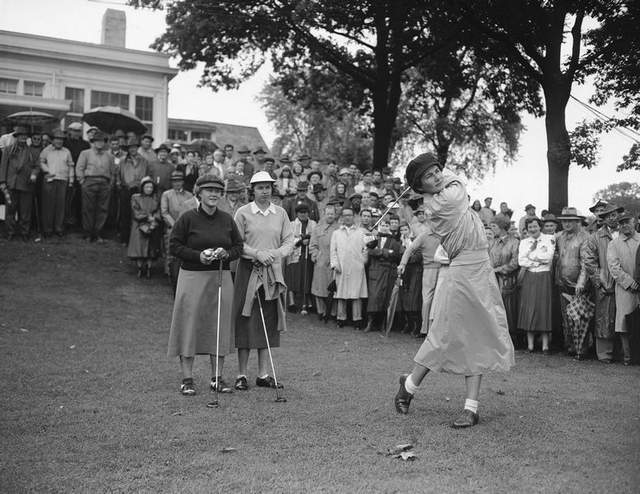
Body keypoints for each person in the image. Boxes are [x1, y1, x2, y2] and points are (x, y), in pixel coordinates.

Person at [394, 152, 514, 428]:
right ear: (420, 187)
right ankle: (408, 387)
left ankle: (470, 408)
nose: (437, 176)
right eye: (428, 176)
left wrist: (424, 179)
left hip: (481, 269)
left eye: (437, 170)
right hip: (460, 271)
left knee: (479, 334)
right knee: (443, 334)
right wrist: (439, 178)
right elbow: (458, 182)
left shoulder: (441, 194)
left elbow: (450, 185)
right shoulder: (442, 201)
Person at [167, 174, 244, 395]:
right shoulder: (187, 218)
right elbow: (175, 246)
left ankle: (217, 378)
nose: (213, 194)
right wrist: (198, 256)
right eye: (209, 190)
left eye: (218, 190)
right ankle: (187, 379)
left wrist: (226, 253)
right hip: (192, 277)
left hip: (220, 277)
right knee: (189, 325)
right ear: (199, 193)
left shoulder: (227, 219)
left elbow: (238, 246)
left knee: (218, 326)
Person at [231, 171, 294, 390]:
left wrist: (273, 255)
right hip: (248, 271)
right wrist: (257, 254)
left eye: (267, 187)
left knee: (268, 320)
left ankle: (263, 374)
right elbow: (236, 243)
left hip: (272, 272)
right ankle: (241, 374)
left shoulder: (281, 213)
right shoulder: (243, 212)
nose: (264, 191)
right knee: (245, 319)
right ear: (253, 190)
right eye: (260, 187)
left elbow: (289, 241)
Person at [583, 204, 623, 363]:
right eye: (609, 216)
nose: (613, 218)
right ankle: (604, 354)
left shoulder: (625, 233)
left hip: (625, 281)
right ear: (604, 219)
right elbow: (589, 260)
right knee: (604, 317)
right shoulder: (595, 237)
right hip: (605, 281)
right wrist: (599, 280)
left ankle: (623, 352)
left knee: (623, 316)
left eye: (615, 215)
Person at [555, 207, 590, 358]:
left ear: (577, 222)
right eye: (564, 221)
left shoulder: (584, 237)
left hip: (578, 285)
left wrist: (581, 283)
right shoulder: (559, 237)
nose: (567, 224)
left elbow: (586, 263)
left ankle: (582, 348)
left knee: (581, 316)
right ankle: (569, 346)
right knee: (566, 316)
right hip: (562, 283)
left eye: (570, 221)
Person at [518, 217, 555, 353]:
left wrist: (531, 255)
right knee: (529, 307)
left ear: (540, 226)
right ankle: (530, 345)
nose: (532, 229)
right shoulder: (524, 242)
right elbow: (521, 261)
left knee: (543, 307)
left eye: (535, 226)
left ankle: (545, 345)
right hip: (530, 276)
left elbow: (548, 257)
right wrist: (536, 261)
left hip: (543, 276)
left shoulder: (549, 239)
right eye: (530, 227)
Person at [607, 213, 640, 365]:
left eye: (627, 222)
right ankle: (628, 356)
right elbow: (614, 267)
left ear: (634, 222)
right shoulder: (614, 244)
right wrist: (629, 282)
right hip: (625, 288)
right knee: (625, 322)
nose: (625, 225)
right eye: (622, 223)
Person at [398, 224, 441, 337]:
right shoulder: (424, 235)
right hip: (431, 270)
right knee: (427, 300)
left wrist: (403, 264)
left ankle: (431, 330)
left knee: (436, 300)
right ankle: (425, 329)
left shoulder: (445, 233)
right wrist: (402, 264)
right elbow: (409, 250)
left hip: (444, 270)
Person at [330, 207, 368, 328]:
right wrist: (335, 264)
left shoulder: (361, 232)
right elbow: (333, 251)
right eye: (345, 215)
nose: (347, 217)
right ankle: (341, 318)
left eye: (350, 215)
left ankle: (357, 319)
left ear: (354, 217)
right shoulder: (336, 233)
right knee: (341, 293)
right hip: (341, 266)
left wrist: (363, 261)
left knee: (356, 294)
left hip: (357, 266)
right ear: (342, 217)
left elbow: (366, 249)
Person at [363, 217, 401, 333]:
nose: (384, 227)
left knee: (386, 298)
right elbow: (369, 251)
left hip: (388, 273)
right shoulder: (373, 238)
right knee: (374, 297)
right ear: (379, 226)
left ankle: (382, 324)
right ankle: (370, 322)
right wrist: (384, 252)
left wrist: (380, 252)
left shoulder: (395, 241)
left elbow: (396, 255)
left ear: (389, 228)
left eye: (386, 225)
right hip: (375, 271)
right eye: (382, 225)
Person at [0, 126, 39, 241]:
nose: (22, 137)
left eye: (24, 135)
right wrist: (2, 181)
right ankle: (10, 232)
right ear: (16, 137)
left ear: (27, 137)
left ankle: (24, 233)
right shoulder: (8, 149)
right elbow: (3, 167)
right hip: (11, 184)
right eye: (20, 135)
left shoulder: (32, 151)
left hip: (27, 185)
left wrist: (34, 174)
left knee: (25, 211)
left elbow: (37, 166)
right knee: (10, 210)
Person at [488, 216, 521, 341]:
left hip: (508, 280)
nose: (492, 229)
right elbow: (488, 259)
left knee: (508, 308)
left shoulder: (514, 242)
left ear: (502, 228)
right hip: (492, 280)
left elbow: (515, 262)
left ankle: (511, 337)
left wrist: (499, 269)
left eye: (494, 226)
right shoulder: (492, 242)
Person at [161, 170, 194, 287]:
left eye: (179, 181)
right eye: (174, 181)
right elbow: (164, 212)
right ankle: (170, 275)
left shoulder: (189, 195)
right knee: (171, 252)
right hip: (172, 227)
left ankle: (183, 276)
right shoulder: (167, 194)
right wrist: (175, 225)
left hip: (187, 228)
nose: (177, 184)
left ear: (183, 182)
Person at [39, 130, 74, 238]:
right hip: (50, 180)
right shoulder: (46, 150)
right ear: (52, 140)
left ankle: (58, 228)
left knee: (60, 206)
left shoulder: (66, 151)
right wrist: (47, 171)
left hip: (62, 180)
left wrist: (71, 179)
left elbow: (71, 165)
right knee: (48, 205)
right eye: (57, 139)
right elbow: (41, 162)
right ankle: (48, 229)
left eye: (61, 139)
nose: (59, 141)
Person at [127, 176, 162, 277]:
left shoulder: (155, 198)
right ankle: (139, 268)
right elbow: (135, 212)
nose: (149, 189)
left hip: (152, 225)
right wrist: (147, 217)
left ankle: (149, 268)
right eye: (147, 187)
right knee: (139, 247)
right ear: (142, 187)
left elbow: (158, 211)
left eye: (151, 187)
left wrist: (154, 219)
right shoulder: (135, 197)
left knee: (151, 249)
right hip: (139, 226)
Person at [309, 204, 339, 321]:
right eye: (328, 214)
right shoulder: (317, 228)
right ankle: (320, 311)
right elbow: (313, 245)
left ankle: (332, 312)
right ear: (324, 214)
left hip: (334, 262)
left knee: (334, 289)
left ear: (335, 215)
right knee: (319, 288)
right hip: (321, 262)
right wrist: (316, 256)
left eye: (332, 214)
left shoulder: (338, 229)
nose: (330, 216)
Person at [117, 139, 149, 245]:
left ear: (137, 148)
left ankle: (136, 238)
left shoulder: (144, 161)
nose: (133, 149)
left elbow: (146, 175)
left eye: (135, 147)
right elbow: (117, 174)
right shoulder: (123, 161)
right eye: (130, 147)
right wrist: (119, 184)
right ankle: (124, 239)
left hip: (138, 190)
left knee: (137, 214)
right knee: (124, 214)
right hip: (125, 190)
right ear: (128, 149)